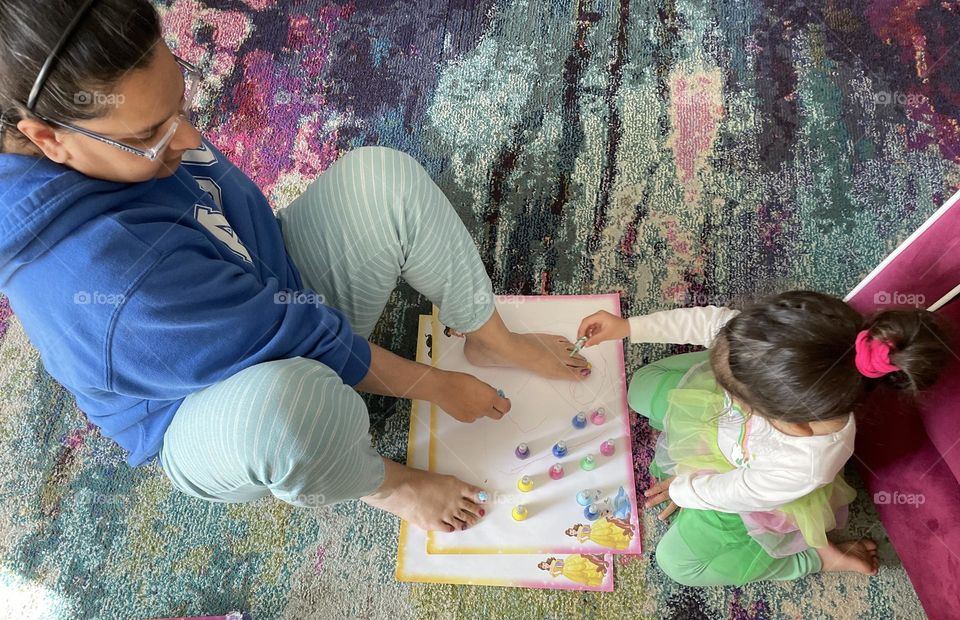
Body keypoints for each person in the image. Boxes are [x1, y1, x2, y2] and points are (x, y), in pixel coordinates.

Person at [0, 0, 590, 533]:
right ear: (48, 140)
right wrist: (436, 386)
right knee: (290, 413)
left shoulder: (114, 133)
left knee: (380, 179)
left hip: (267, 279)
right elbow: (290, 337)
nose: (190, 136)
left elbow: (283, 309)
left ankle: (493, 340)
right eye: (152, 134)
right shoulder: (111, 287)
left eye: (178, 102)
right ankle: (396, 487)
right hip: (204, 407)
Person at [576, 291, 949, 586]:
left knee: (677, 563)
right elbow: (709, 323)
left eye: (737, 392)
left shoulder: (803, 464)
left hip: (751, 491)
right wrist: (627, 327)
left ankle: (818, 557)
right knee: (640, 387)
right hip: (732, 436)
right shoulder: (772, 342)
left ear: (788, 421)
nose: (728, 389)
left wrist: (683, 489)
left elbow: (732, 492)